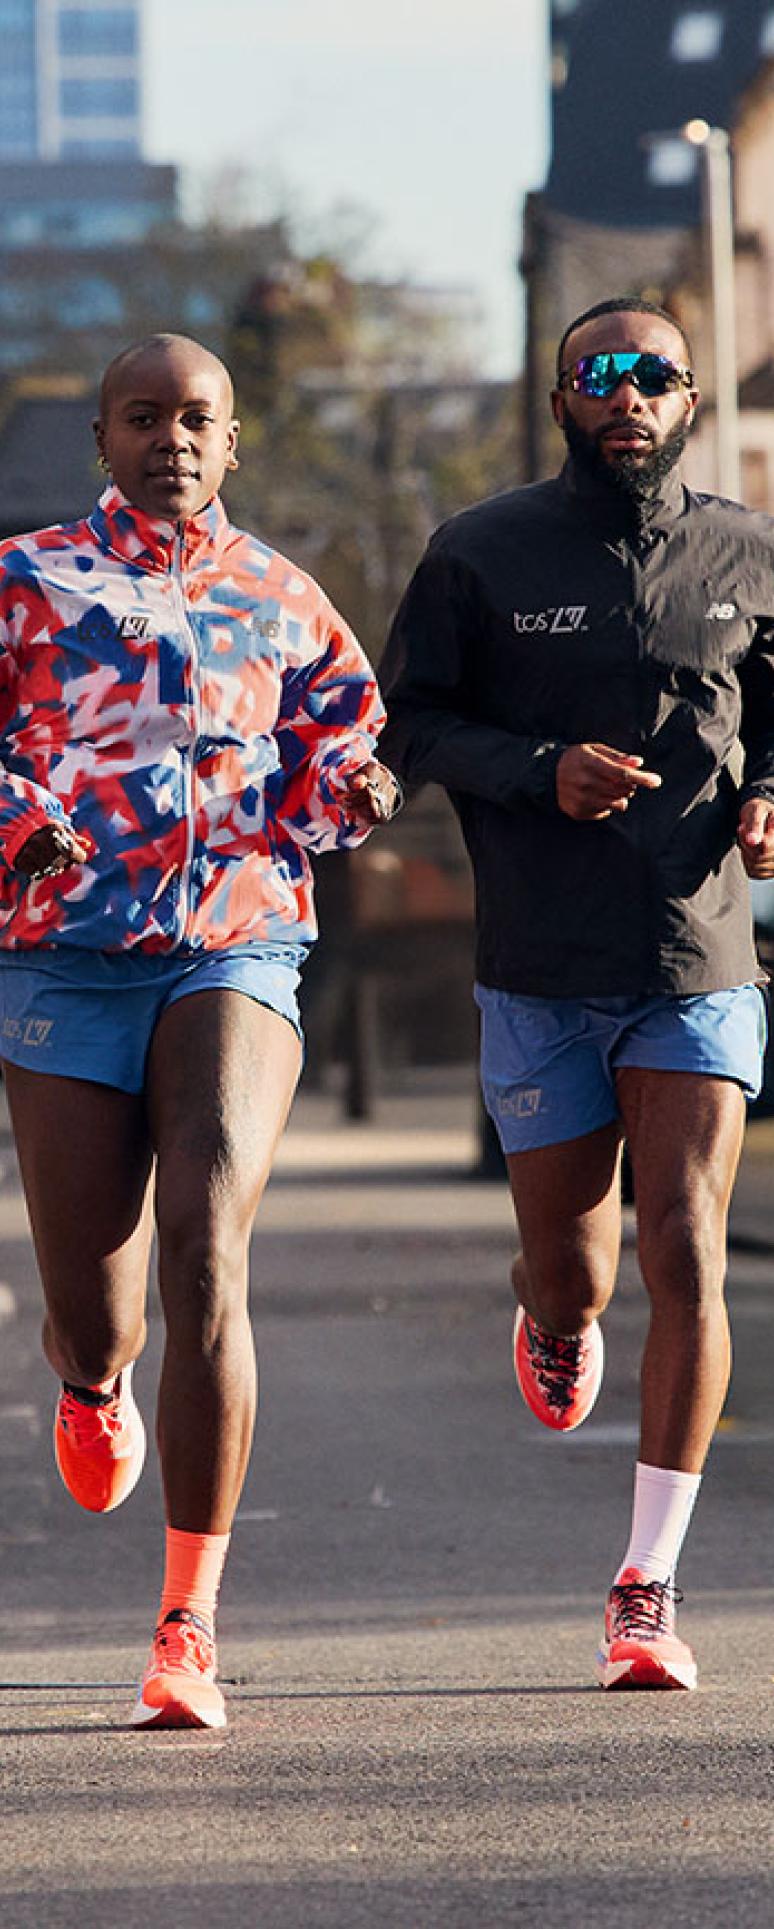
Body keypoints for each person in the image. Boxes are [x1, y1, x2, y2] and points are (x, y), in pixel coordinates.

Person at [0, 331, 398, 1730]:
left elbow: (345, 732)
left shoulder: (281, 595)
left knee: (205, 1246)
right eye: (144, 416)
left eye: (198, 419)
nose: (173, 438)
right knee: (93, 1301)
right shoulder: (26, 580)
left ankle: (187, 1623)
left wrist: (351, 786)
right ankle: (89, 1378)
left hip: (235, 940)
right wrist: (21, 824)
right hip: (63, 957)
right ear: (102, 438)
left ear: (233, 443)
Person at [378, 296, 774, 1692]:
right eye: (600, 376)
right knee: (580, 1264)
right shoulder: (480, 553)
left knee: (684, 1240)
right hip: (540, 963)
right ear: (558, 400)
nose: (628, 398)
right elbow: (408, 721)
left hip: (693, 954)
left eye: (655, 377)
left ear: (689, 400)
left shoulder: (746, 552)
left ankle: (645, 1583)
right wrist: (536, 766)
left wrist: (769, 791)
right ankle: (549, 1317)